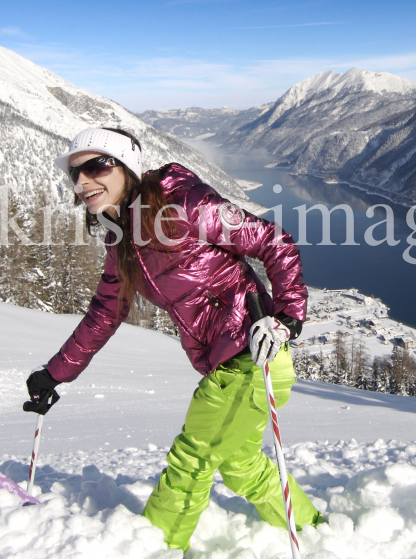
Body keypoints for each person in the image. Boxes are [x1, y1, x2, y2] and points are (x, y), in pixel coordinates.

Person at [23, 127, 321, 550]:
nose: (82, 181)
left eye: (96, 166)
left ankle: (155, 546)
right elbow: (105, 314)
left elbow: (275, 242)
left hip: (251, 354)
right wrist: (53, 374)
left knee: (193, 459)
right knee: (241, 467)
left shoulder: (185, 205)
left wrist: (286, 318)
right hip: (225, 364)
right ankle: (312, 529)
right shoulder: (122, 239)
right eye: (75, 173)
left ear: (126, 166)